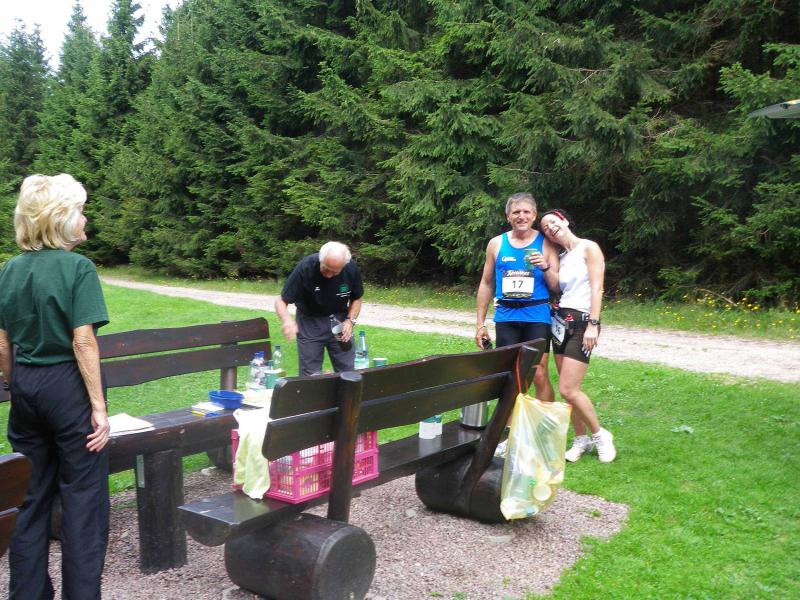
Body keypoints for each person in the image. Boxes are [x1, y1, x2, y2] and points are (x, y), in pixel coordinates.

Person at [0, 174, 111, 599]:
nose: (85, 218)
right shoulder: (78, 268)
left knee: (29, 499)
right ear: (60, 217)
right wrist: (98, 408)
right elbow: (82, 342)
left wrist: (15, 383)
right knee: (83, 501)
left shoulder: (10, 269)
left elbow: (3, 342)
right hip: (68, 389)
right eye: (80, 210)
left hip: (25, 388)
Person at [539, 208, 616, 463]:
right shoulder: (561, 257)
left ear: (564, 220)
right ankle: (581, 439)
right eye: (545, 228)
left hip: (583, 322)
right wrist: (545, 266)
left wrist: (593, 324)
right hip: (561, 322)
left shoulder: (588, 247)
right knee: (567, 390)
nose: (550, 228)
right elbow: (556, 286)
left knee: (568, 388)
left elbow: (597, 287)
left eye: (553, 221)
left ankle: (600, 435)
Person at [475, 192, 559, 403]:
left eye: (526, 212)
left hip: (537, 315)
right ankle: (510, 421)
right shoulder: (496, 244)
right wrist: (480, 324)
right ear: (508, 216)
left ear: (534, 215)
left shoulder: (546, 243)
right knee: (508, 374)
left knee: (539, 372)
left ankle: (545, 421)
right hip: (507, 316)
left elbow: (556, 286)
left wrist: (545, 266)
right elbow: (486, 283)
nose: (521, 216)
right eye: (516, 212)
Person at [275, 241, 364, 376]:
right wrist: (287, 320)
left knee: (348, 372)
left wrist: (350, 321)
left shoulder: (350, 268)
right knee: (310, 376)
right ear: (320, 260)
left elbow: (357, 298)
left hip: (340, 321)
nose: (328, 275)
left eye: (334, 272)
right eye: (325, 269)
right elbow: (281, 300)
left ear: (343, 266)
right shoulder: (306, 267)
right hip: (309, 322)